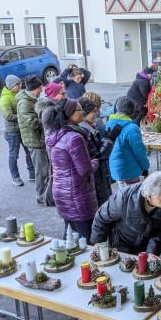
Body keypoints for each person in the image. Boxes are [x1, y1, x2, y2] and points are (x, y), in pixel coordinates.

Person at [43, 98, 99, 240]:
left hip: (61, 191)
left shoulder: (55, 133)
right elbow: (84, 170)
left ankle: (65, 258)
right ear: (69, 114)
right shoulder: (74, 137)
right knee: (85, 238)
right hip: (77, 193)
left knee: (69, 234)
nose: (82, 112)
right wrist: (95, 162)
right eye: (79, 110)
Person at [91, 171, 161, 256]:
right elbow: (101, 217)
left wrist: (151, 253)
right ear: (149, 196)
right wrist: (98, 241)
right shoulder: (124, 198)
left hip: (145, 246)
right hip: (121, 243)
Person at [78, 97, 121, 206]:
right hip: (96, 181)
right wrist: (109, 141)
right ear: (84, 114)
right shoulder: (85, 132)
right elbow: (99, 158)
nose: (96, 114)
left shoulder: (89, 129)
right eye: (93, 111)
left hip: (100, 180)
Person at [17, 75, 49, 205]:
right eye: (39, 87)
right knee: (41, 170)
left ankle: (47, 194)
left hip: (40, 139)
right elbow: (32, 123)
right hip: (35, 141)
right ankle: (41, 196)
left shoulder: (34, 99)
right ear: (32, 89)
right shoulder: (24, 103)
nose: (41, 89)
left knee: (45, 169)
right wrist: (47, 118)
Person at [0, 75, 35, 186]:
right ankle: (15, 177)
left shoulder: (20, 94)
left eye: (20, 84)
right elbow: (8, 116)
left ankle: (32, 173)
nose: (20, 86)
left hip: (22, 128)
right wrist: (24, 116)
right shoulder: (4, 99)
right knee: (14, 155)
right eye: (17, 84)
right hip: (12, 131)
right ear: (11, 86)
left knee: (29, 151)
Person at [106, 96, 150, 188]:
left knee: (123, 194)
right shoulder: (132, 128)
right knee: (132, 197)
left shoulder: (109, 123)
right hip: (130, 170)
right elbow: (139, 151)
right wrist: (145, 166)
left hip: (116, 168)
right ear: (132, 111)